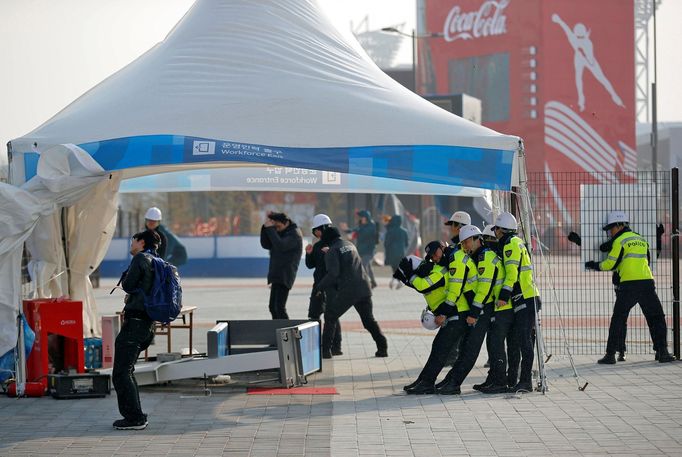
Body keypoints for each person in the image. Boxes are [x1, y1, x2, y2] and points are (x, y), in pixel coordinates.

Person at [585, 211, 674, 364]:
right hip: (647, 283)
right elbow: (649, 260)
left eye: (610, 229)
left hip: (628, 285)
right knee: (656, 317)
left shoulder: (620, 241)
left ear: (619, 226)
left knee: (618, 318)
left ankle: (610, 355)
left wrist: (593, 265)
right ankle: (663, 352)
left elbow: (610, 264)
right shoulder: (641, 239)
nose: (609, 233)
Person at [436, 225, 508, 395]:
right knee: (472, 346)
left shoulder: (485, 257)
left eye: (468, 242)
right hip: (485, 306)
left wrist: (474, 313)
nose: (465, 246)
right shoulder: (478, 256)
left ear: (478, 239)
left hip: (486, 307)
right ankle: (455, 380)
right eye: (463, 243)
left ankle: (455, 383)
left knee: (471, 348)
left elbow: (484, 288)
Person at [398, 241, 468, 395]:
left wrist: (410, 275)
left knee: (441, 350)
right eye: (431, 256)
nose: (434, 258)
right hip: (453, 312)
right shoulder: (439, 267)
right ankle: (423, 380)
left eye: (435, 254)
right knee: (438, 347)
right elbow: (421, 285)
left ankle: (427, 383)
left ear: (442, 248)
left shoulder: (442, 270)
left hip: (457, 312)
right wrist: (407, 278)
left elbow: (423, 285)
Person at [316, 225, 387, 359]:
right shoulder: (350, 244)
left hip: (349, 290)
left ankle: (325, 351)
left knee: (330, 316)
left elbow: (333, 274)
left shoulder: (332, 251)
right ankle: (382, 347)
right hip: (364, 287)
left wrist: (319, 287)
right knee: (368, 320)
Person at [112, 229, 159, 430]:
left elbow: (129, 285)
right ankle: (136, 415)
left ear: (141, 242)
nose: (131, 244)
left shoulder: (141, 258)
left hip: (135, 324)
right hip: (148, 325)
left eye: (133, 240)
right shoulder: (157, 261)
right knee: (127, 370)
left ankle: (135, 418)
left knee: (121, 372)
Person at [494, 211, 542, 392]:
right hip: (527, 296)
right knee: (523, 340)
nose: (495, 234)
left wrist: (503, 297)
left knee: (524, 340)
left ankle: (526, 382)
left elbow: (512, 274)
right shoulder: (517, 242)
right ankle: (521, 380)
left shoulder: (509, 245)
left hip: (525, 297)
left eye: (496, 230)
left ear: (502, 229)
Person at [305, 213, 342, 355]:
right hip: (318, 284)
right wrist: (309, 254)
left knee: (331, 315)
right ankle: (317, 346)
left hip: (331, 285)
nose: (315, 233)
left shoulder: (335, 245)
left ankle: (335, 347)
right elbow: (311, 265)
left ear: (322, 228)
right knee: (314, 314)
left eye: (316, 230)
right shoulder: (318, 245)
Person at [260, 211, 303, 319]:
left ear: (286, 222)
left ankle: (288, 335)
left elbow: (280, 246)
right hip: (277, 274)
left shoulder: (294, 234)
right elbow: (266, 244)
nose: (276, 229)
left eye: (277, 226)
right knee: (272, 307)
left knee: (279, 307)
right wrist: (265, 228)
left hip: (285, 275)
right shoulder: (282, 232)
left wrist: (270, 229)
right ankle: (277, 331)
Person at [346, 210, 379, 288]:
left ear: (366, 218)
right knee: (368, 266)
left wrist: (356, 232)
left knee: (363, 265)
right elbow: (354, 230)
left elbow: (364, 233)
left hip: (369, 250)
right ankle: (373, 282)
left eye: (362, 217)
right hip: (362, 249)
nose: (361, 219)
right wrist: (347, 230)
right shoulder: (361, 226)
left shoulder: (372, 226)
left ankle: (365, 282)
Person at [384, 215, 409, 289]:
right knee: (398, 267)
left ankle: (398, 280)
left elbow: (386, 243)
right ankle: (399, 280)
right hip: (401, 252)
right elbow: (406, 243)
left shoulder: (390, 231)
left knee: (394, 267)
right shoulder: (404, 231)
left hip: (392, 253)